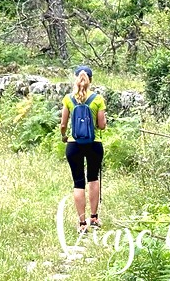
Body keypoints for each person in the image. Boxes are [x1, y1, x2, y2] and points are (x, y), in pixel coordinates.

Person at [59, 64, 106, 234]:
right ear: (90, 80)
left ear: (76, 79)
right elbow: (101, 125)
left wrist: (64, 136)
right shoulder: (98, 99)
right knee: (93, 178)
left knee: (78, 182)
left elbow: (63, 124)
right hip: (94, 144)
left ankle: (81, 223)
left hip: (74, 145)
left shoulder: (68, 99)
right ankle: (93, 218)